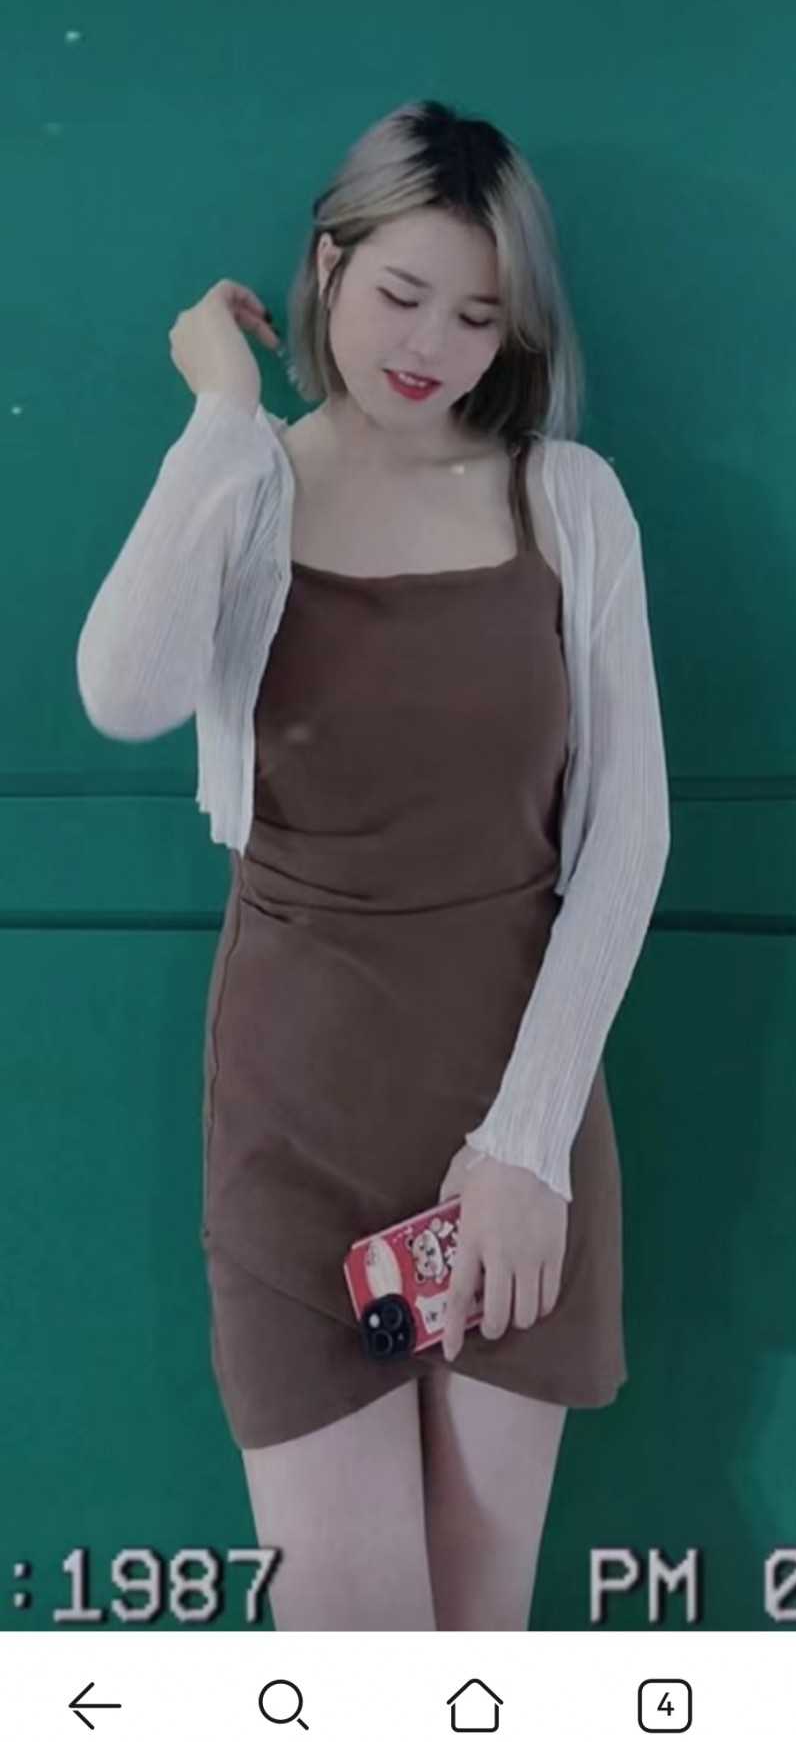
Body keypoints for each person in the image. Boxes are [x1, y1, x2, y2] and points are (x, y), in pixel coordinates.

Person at [76, 97, 671, 1629]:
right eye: (402, 293)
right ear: (327, 265)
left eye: (478, 316)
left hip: (515, 1124)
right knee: (356, 1677)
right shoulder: (251, 487)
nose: (433, 347)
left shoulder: (569, 501)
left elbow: (628, 834)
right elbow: (123, 691)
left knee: (475, 1658)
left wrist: (524, 1146)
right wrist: (223, 418)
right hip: (294, 1128)